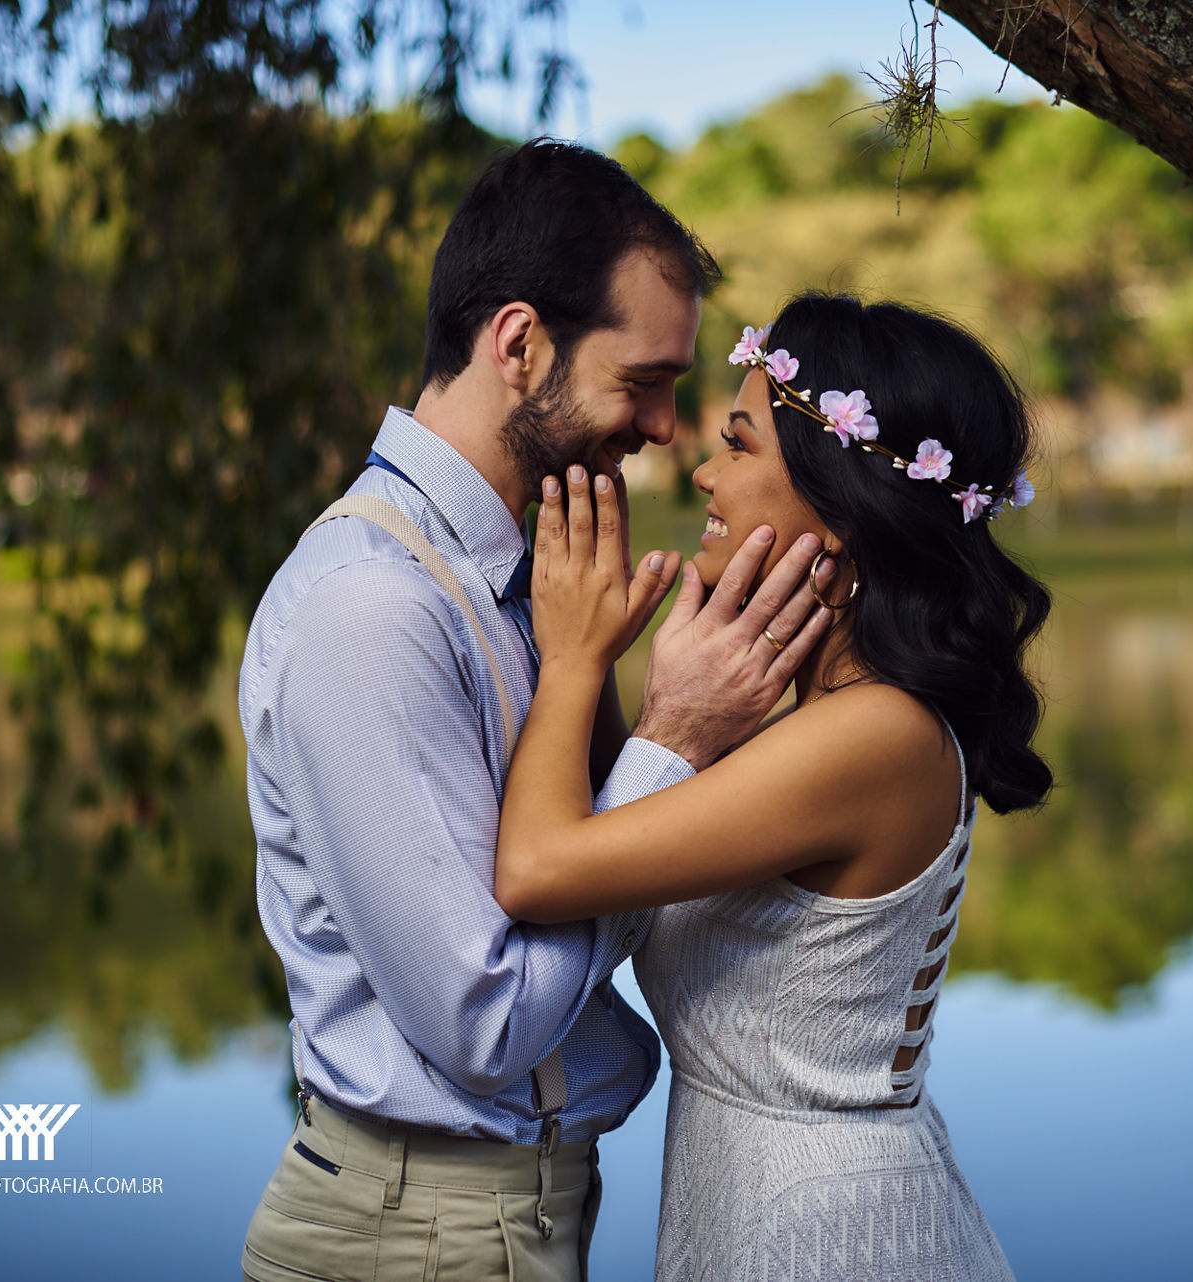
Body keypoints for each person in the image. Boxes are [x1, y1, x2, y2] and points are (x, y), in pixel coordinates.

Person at [237, 142, 829, 1282]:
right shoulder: (373, 608)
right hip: (414, 1237)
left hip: (504, 1219)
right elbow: (486, 1023)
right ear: (520, 344)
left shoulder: (532, 581)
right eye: (645, 380)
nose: (667, 428)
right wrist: (670, 744)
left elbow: (597, 882)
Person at [495, 293, 1052, 1281]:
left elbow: (539, 869)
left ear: (842, 504)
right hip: (769, 1202)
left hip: (825, 1233)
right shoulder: (831, 726)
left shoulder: (872, 737)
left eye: (740, 445)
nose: (705, 471)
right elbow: (631, 834)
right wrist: (627, 678)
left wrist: (574, 662)